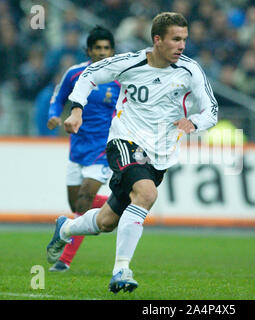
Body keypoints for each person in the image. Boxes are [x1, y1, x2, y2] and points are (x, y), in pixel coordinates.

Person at [46, 12, 218, 293]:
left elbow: (211, 109)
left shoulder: (191, 70)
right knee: (147, 194)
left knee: (106, 221)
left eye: (184, 39)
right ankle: (121, 270)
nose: (182, 45)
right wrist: (76, 109)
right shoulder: (130, 62)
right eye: (176, 39)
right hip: (124, 142)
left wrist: (195, 122)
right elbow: (89, 74)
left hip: (159, 154)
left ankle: (65, 228)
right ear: (157, 40)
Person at [46, 26, 120, 272]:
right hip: (77, 147)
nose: (102, 52)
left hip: (103, 148)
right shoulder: (75, 73)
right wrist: (54, 116)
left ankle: (64, 260)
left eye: (106, 48)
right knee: (78, 206)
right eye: (97, 48)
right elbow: (58, 98)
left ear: (112, 51)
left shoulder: (120, 79)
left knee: (84, 200)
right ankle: (116, 204)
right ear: (89, 50)